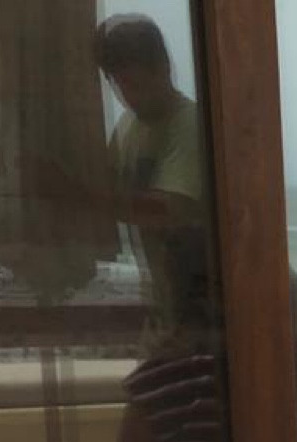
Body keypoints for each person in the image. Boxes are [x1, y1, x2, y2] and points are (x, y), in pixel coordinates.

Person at [93, 14, 215, 358]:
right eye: (120, 86)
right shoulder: (128, 128)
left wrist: (78, 195)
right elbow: (104, 188)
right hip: (167, 308)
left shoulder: (189, 125)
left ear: (164, 68)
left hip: (205, 313)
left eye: (136, 84)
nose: (129, 97)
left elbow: (166, 209)